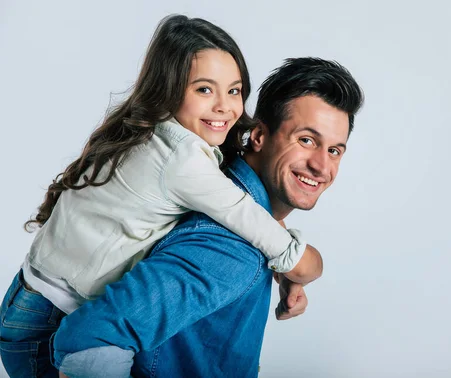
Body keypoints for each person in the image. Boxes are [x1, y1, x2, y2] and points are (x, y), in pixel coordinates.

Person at [0, 15, 324, 377]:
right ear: (169, 90)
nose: (224, 106)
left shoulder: (154, 132)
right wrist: (307, 268)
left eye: (233, 90)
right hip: (46, 320)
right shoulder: (182, 159)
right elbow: (256, 226)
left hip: (31, 301)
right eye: (204, 89)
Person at [51, 57, 364, 377]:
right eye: (306, 140)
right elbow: (91, 335)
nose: (322, 167)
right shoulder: (232, 248)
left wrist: (289, 267)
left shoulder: (226, 192)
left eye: (334, 150)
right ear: (258, 136)